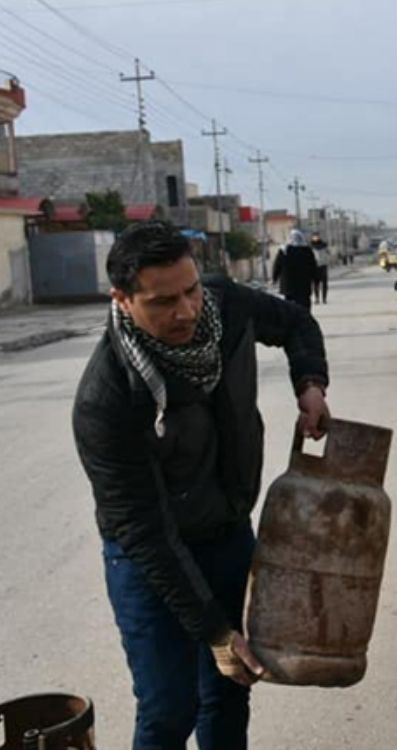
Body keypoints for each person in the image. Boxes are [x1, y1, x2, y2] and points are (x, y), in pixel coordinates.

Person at [72, 222, 331, 749]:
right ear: (121, 300)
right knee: (169, 707)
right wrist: (214, 630)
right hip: (146, 559)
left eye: (190, 290)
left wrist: (310, 383)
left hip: (226, 533)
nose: (187, 311)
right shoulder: (107, 400)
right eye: (162, 301)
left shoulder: (227, 306)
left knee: (229, 689)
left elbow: (297, 323)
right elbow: (144, 531)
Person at [271, 229, 317, 309]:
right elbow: (313, 266)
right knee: (304, 305)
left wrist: (274, 279)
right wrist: (315, 278)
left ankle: (292, 320)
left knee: (289, 306)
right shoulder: (306, 250)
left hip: (289, 285)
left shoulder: (284, 250)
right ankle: (305, 319)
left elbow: (277, 265)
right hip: (303, 284)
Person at [310, 232, 330, 304]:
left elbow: (328, 254)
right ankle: (317, 298)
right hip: (314, 267)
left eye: (317, 236)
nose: (316, 237)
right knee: (316, 284)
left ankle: (324, 298)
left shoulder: (324, 245)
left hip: (323, 266)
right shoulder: (310, 246)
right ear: (312, 237)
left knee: (324, 283)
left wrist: (326, 261)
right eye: (314, 236)